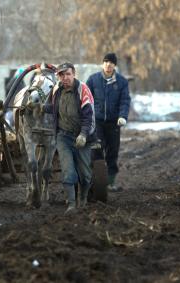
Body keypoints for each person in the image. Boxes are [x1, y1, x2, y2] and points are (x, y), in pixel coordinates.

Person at [42, 62, 96, 213]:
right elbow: (52, 108)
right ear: (58, 76)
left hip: (82, 138)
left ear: (74, 74)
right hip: (63, 136)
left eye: (68, 74)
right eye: (61, 75)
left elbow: (89, 117)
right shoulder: (56, 90)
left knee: (85, 176)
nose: (65, 78)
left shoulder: (82, 90)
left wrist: (84, 134)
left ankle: (83, 199)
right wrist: (39, 108)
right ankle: (71, 204)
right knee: (68, 172)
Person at [86, 52, 131, 192]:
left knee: (112, 152)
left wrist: (122, 116)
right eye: (106, 62)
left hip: (114, 123)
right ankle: (95, 181)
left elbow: (125, 101)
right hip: (97, 121)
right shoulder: (93, 80)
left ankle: (110, 183)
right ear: (102, 63)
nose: (108, 65)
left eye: (111, 62)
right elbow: (86, 99)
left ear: (115, 65)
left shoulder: (122, 82)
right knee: (96, 149)